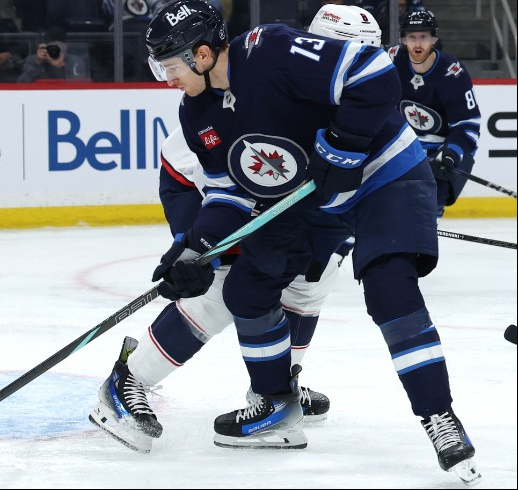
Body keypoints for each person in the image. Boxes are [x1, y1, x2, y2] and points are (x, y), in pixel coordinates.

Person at [137, 0, 479, 484]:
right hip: (314, 197)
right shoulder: (198, 113)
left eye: (169, 66)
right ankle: (275, 403)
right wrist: (194, 249)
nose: (164, 78)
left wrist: (342, 145)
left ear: (205, 53)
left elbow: (374, 72)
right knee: (247, 288)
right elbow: (229, 194)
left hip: (385, 176)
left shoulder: (271, 50)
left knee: (389, 287)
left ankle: (438, 415)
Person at [89, 1, 379, 456]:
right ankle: (129, 379)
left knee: (308, 285)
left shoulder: (329, 95)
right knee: (221, 292)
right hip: (204, 195)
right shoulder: (221, 98)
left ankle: (278, 389)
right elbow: (192, 178)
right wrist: (196, 246)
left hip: (278, 208)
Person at [388, 10, 481, 219]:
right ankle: (346, 245)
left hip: (441, 147)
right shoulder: (392, 60)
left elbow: (468, 124)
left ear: (434, 39)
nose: (417, 44)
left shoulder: (452, 72)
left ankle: (424, 236)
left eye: (423, 37)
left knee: (430, 203)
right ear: (403, 39)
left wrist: (451, 152)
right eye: (412, 37)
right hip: (403, 145)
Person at [17, 26, 89, 83]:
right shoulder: (35, 59)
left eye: (58, 48)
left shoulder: (74, 60)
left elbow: (80, 86)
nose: (55, 51)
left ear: (65, 47)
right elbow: (21, 83)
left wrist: (62, 67)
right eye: (52, 47)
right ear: (46, 46)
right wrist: (37, 63)